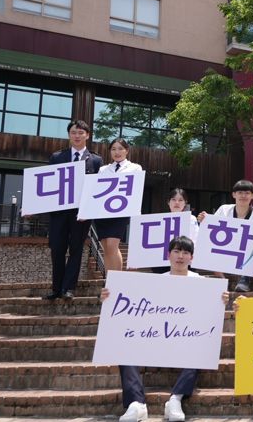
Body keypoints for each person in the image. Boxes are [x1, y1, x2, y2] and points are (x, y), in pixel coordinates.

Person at [100, 236, 230, 422]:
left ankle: (175, 398)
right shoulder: (155, 283)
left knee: (204, 347)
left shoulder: (203, 283)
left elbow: (209, 319)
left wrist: (221, 300)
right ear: (168, 255)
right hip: (155, 340)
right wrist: (109, 296)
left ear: (191, 258)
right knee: (123, 344)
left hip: (186, 342)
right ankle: (136, 404)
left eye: (185, 252)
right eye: (176, 251)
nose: (180, 256)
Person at [43, 119, 103, 300]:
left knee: (76, 250)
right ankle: (56, 288)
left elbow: (97, 189)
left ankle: (69, 288)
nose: (77, 136)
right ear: (69, 136)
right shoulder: (57, 157)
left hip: (81, 215)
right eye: (73, 133)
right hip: (59, 214)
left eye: (80, 133)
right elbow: (47, 184)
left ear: (87, 135)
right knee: (57, 249)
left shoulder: (96, 160)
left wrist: (90, 211)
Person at [198, 180, 253, 292]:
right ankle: (222, 279)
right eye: (240, 192)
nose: (243, 196)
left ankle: (245, 278)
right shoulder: (224, 209)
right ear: (234, 194)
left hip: (246, 252)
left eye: (247, 193)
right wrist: (204, 219)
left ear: (252, 196)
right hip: (227, 251)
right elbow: (212, 229)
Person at [93, 138, 143, 272]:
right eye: (113, 149)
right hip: (102, 214)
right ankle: (110, 282)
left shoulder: (135, 168)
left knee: (112, 245)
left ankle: (117, 282)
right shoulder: (103, 170)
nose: (117, 152)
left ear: (127, 151)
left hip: (121, 212)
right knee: (106, 249)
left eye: (120, 148)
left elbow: (136, 190)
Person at [150, 188, 200, 274]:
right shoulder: (159, 220)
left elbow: (195, 241)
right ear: (168, 202)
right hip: (161, 262)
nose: (177, 203)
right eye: (174, 199)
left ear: (185, 203)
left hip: (184, 261)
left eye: (180, 200)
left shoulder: (191, 219)